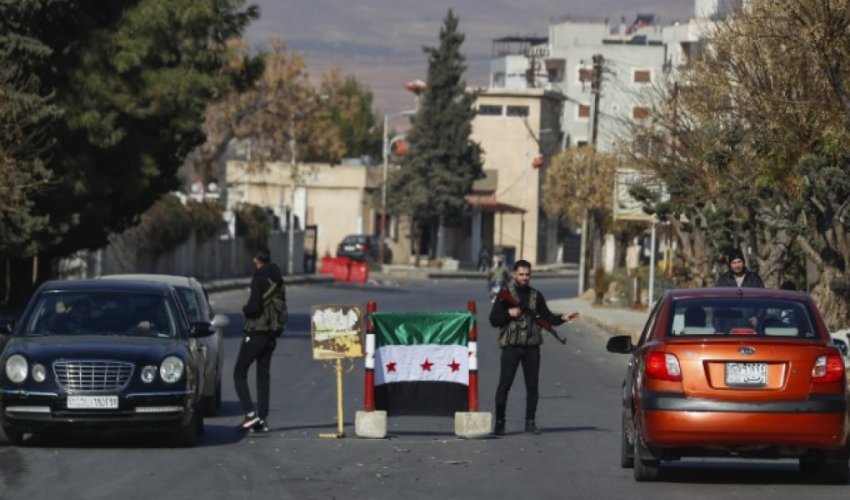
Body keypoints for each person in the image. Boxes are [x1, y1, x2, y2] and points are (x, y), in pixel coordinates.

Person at [489, 259, 580, 436]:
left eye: (527, 275)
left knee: (532, 387)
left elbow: (547, 318)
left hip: (531, 348)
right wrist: (509, 313)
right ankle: (500, 423)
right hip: (512, 347)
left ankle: (530, 422)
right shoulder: (505, 294)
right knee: (504, 385)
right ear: (515, 274)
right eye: (521, 274)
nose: (524, 278)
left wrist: (563, 317)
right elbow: (494, 319)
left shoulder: (536, 296)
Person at [234, 248, 287, 433]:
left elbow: (255, 307)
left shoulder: (259, 278)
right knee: (263, 375)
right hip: (271, 334)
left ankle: (250, 413)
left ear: (257, 261)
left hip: (256, 332)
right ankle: (262, 418)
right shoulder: (278, 279)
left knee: (239, 372)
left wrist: (246, 309)